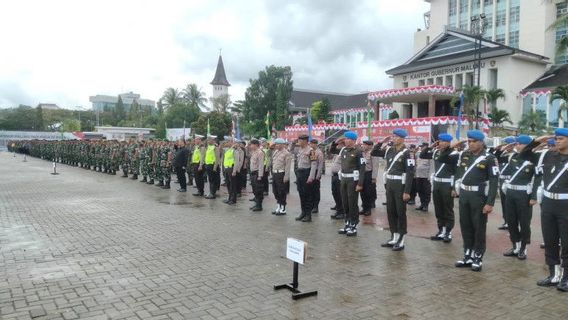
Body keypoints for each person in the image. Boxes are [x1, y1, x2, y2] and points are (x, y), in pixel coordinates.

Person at [438, 130, 498, 272]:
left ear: (481, 143)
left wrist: (490, 203)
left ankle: (477, 256)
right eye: (469, 141)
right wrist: (454, 145)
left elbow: (494, 181)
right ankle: (467, 254)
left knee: (478, 227)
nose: (470, 144)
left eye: (473, 141)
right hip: (464, 195)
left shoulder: (489, 158)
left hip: (478, 197)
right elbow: (443, 158)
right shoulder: (464, 155)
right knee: (465, 225)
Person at [524, 130, 568, 291]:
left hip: (566, 205)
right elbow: (525, 154)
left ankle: (566, 277)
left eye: (561, 139)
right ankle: (553, 274)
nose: (557, 141)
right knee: (550, 240)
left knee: (567, 242)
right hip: (549, 204)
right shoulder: (548, 155)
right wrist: (536, 141)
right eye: (555, 138)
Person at [372, 129, 415, 251]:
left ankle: (401, 239)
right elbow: (374, 152)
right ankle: (394, 236)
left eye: (396, 137)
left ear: (402, 138)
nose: (393, 138)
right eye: (392, 136)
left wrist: (407, 191)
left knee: (400, 212)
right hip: (390, 184)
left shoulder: (407, 153)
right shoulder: (390, 150)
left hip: (400, 186)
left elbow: (410, 173)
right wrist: (381, 142)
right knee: (391, 211)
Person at [499, 135, 538, 260]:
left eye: (520, 144)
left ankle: (523, 248)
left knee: (524, 223)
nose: (517, 146)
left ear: (527, 146)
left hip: (524, 195)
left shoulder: (534, 159)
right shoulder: (514, 157)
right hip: (511, 193)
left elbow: (537, 179)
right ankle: (515, 245)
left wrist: (534, 196)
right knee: (511, 221)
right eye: (517, 144)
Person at [419, 133, 455, 242]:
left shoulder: (454, 154)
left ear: (449, 143)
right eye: (440, 141)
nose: (441, 143)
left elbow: (456, 171)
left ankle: (448, 232)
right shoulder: (436, 152)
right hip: (437, 184)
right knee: (438, 208)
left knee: (447, 209)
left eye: (444, 141)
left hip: (448, 184)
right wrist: (431, 146)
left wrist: (454, 188)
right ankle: (441, 230)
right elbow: (422, 155)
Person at [337, 131, 366, 236]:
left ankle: (353, 224)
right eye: (345, 139)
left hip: (353, 181)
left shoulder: (359, 151)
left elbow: (363, 168)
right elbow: (332, 150)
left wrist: (360, 183)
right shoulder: (343, 150)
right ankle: (347, 222)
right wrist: (337, 141)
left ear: (353, 140)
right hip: (344, 179)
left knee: (352, 202)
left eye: (348, 139)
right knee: (345, 202)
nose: (345, 140)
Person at [494, 136, 517, 230]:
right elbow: (494, 155)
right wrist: (500, 147)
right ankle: (506, 221)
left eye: (508, 144)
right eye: (506, 144)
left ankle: (512, 223)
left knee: (510, 204)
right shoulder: (502, 154)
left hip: (510, 181)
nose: (507, 146)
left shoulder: (515, 155)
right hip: (502, 180)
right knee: (504, 203)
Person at [294, 134, 318, 222]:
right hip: (300, 173)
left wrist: (311, 177)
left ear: (304, 141)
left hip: (306, 173)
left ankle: (308, 215)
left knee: (307, 195)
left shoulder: (311, 151)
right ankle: (303, 212)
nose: (298, 142)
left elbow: (314, 164)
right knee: (301, 194)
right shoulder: (300, 149)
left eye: (300, 140)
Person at [271, 138, 292, 215]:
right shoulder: (276, 152)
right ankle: (278, 206)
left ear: (282, 145)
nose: (276, 145)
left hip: (281, 174)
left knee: (281, 192)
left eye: (277, 144)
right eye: (276, 144)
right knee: (275, 191)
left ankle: (283, 208)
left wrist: (286, 177)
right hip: (275, 173)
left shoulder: (286, 153)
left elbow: (287, 166)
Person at [359, 137, 378, 216]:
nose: (363, 146)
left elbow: (375, 166)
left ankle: (368, 209)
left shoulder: (373, 153)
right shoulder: (362, 153)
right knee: (362, 192)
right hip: (362, 174)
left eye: (365, 145)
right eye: (363, 144)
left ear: (370, 146)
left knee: (368, 192)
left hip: (369, 174)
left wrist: (373, 177)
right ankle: (364, 208)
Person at [223, 139, 245, 205]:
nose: (226, 143)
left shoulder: (237, 151)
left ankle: (233, 199)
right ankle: (230, 198)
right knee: (228, 184)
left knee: (233, 185)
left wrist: (236, 170)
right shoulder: (229, 150)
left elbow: (238, 161)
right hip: (227, 168)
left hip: (233, 169)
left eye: (228, 142)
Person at [329, 138, 346, 220]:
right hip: (334, 175)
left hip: (340, 176)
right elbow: (331, 150)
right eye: (338, 145)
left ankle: (342, 212)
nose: (338, 146)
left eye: (340, 144)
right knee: (335, 193)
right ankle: (338, 210)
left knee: (340, 195)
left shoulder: (345, 151)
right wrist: (335, 142)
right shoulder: (338, 152)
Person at [413, 143, 432, 212]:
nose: (421, 148)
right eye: (421, 147)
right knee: (419, 190)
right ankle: (422, 204)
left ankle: (426, 205)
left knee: (426, 191)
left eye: (423, 147)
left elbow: (431, 166)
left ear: (426, 147)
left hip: (426, 176)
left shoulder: (429, 154)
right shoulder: (419, 154)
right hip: (418, 175)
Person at [249, 139, 265, 212]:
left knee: (258, 190)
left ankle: (259, 205)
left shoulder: (260, 153)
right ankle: (256, 204)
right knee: (254, 189)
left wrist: (260, 175)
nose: (250, 146)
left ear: (255, 145)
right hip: (253, 172)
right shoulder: (253, 152)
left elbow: (261, 165)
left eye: (251, 144)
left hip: (257, 173)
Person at [310, 139, 324, 214]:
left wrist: (318, 175)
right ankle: (312, 205)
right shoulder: (312, 151)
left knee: (316, 191)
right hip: (312, 172)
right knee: (311, 190)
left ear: (315, 144)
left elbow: (320, 165)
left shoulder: (319, 152)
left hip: (316, 173)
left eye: (312, 144)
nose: (311, 145)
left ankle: (316, 206)